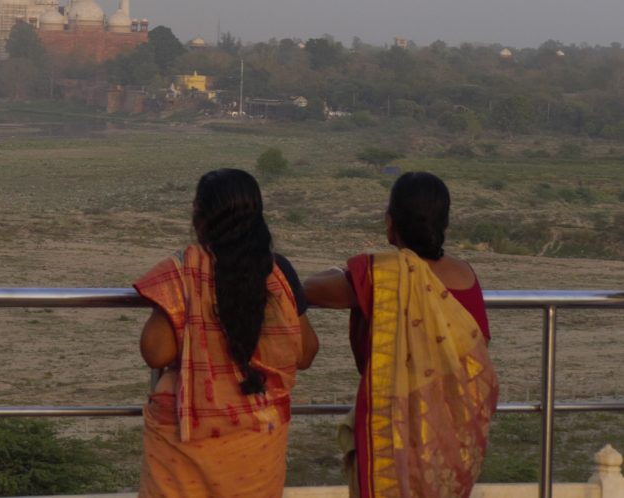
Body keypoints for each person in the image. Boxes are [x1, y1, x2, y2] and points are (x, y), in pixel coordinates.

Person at [304, 171, 498, 498]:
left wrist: (348, 272)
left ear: (390, 222)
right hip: (452, 438)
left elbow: (307, 290)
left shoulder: (383, 276)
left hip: (393, 434)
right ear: (445, 223)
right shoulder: (466, 275)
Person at [135, 168, 319, 498]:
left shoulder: (183, 269)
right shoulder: (278, 271)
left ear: (200, 217)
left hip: (187, 432)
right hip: (257, 435)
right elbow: (305, 353)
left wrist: (175, 300)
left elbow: (156, 353)